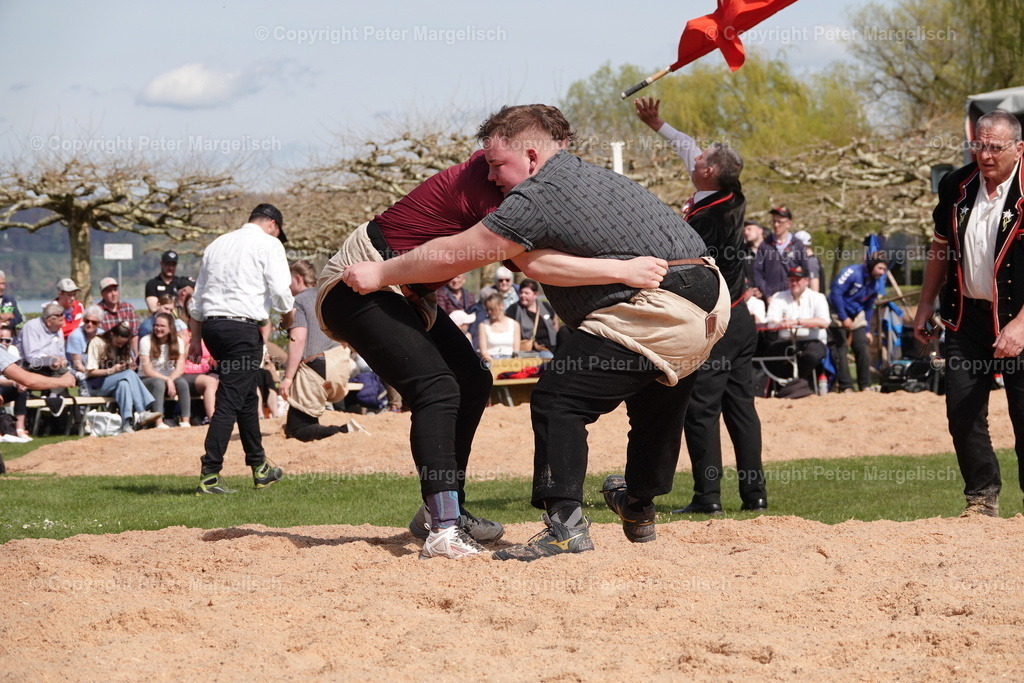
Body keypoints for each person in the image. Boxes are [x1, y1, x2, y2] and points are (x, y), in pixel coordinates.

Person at [342, 103, 728, 562]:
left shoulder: (534, 196)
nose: (490, 176)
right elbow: (542, 262)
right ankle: (639, 505)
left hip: (658, 306)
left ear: (530, 156)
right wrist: (622, 269)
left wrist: (380, 272)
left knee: (558, 400)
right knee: (657, 398)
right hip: (711, 302)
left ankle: (565, 526)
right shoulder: (595, 178)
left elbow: (466, 249)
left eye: (496, 164)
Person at [635, 96, 766, 515]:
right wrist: (658, 124)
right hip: (741, 319)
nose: (695, 156)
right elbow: (688, 147)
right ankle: (755, 496)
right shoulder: (729, 193)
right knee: (741, 409)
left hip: (718, 322)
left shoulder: (709, 217)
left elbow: (690, 268)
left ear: (708, 171)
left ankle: (708, 497)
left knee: (701, 409)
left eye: (702, 157)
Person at [913, 110, 1024, 518]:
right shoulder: (956, 184)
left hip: (1019, 318)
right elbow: (940, 247)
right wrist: (925, 303)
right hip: (966, 317)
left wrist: (1021, 324)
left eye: (995, 147)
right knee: (962, 413)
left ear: (1019, 149)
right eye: (978, 145)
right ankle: (981, 498)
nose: (985, 155)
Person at [188, 203, 294, 495]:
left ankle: (260, 468)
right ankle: (210, 474)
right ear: (273, 224)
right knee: (230, 400)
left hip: (213, 329)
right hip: (241, 330)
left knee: (247, 397)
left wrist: (195, 339)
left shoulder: (217, 244)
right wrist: (288, 318)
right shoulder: (269, 244)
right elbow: (281, 290)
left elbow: (197, 298)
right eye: (278, 232)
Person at [277, 260, 362, 442]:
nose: (287, 286)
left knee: (299, 429)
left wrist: (288, 378)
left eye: (288, 281)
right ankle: (338, 430)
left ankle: (343, 430)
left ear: (298, 278)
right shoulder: (327, 296)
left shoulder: (299, 301)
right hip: (339, 365)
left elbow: (298, 339)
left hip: (316, 368)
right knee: (295, 424)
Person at [85, 322, 161, 434]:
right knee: (128, 375)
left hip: (115, 383)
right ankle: (142, 412)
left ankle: (126, 425)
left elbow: (125, 368)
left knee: (124, 384)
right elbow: (90, 372)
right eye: (118, 343)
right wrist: (111, 370)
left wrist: (128, 367)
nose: (120, 346)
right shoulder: (97, 342)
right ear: (112, 335)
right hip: (96, 385)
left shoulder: (123, 346)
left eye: (123, 343)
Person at [828, 254, 888, 392]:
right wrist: (843, 317)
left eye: (884, 269)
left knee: (861, 346)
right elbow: (835, 293)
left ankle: (865, 386)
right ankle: (846, 386)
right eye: (880, 268)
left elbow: (869, 306)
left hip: (856, 315)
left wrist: (867, 330)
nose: (882, 272)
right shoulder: (852, 273)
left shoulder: (877, 282)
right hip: (837, 312)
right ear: (872, 265)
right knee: (841, 349)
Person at [764, 266, 830, 383]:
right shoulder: (778, 297)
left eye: (798, 280)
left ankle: (799, 384)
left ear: (807, 281)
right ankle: (786, 385)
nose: (794, 283)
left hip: (812, 341)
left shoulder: (817, 297)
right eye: (792, 280)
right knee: (769, 357)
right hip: (786, 342)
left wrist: (798, 322)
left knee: (810, 356)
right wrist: (781, 323)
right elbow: (771, 323)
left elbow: (824, 322)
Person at [139, 312, 191, 428]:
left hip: (169, 376)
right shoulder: (145, 341)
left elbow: (180, 368)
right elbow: (147, 370)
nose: (158, 328)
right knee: (158, 383)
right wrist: (167, 380)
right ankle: (159, 422)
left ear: (170, 328)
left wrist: (170, 379)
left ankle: (185, 421)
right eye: (156, 325)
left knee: (182, 382)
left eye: (162, 326)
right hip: (146, 378)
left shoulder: (178, 341)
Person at [753, 206, 808, 300]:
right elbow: (757, 271)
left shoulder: (797, 245)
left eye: (780, 222)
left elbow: (805, 271)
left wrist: (798, 293)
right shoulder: (765, 245)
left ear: (789, 224)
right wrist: (767, 294)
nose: (776, 225)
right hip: (771, 297)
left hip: (792, 297)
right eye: (774, 221)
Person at [505, 279, 559, 357]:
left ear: (535, 294)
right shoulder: (514, 309)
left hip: (551, 347)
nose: (523, 295)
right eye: (521, 292)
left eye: (526, 293)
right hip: (529, 351)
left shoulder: (545, 306)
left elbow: (555, 324)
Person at [0, 324, 30, 441]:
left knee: (22, 390)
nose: (3, 343)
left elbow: (17, 374)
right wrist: (14, 382)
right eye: (0, 340)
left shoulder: (12, 350)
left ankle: (19, 429)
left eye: (7, 340)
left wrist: (18, 383)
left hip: (6, 386)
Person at [97, 277, 141, 355]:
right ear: (102, 294)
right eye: (109, 291)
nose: (113, 294)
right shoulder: (97, 311)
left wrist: (136, 354)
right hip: (106, 351)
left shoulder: (128, 308)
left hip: (127, 350)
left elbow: (134, 335)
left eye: (115, 290)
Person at [66, 305, 104, 394]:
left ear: (99, 323)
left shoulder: (102, 335)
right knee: (83, 378)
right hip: (76, 369)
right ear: (83, 320)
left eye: (94, 322)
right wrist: (95, 373)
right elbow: (78, 365)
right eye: (87, 321)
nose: (90, 324)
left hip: (96, 370)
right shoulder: (75, 336)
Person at [477, 293, 520, 363]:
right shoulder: (483, 325)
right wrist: (494, 363)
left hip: (510, 360)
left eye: (492, 309)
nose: (489, 312)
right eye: (487, 309)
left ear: (501, 306)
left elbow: (516, 351)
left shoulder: (514, 324)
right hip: (491, 360)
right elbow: (483, 352)